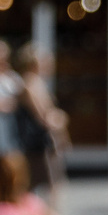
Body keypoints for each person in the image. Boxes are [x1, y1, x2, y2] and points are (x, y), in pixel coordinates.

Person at [14, 41, 68, 206]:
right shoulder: (30, 84)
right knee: (46, 185)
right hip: (37, 144)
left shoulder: (37, 83)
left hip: (41, 142)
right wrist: (60, 118)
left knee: (40, 185)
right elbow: (43, 117)